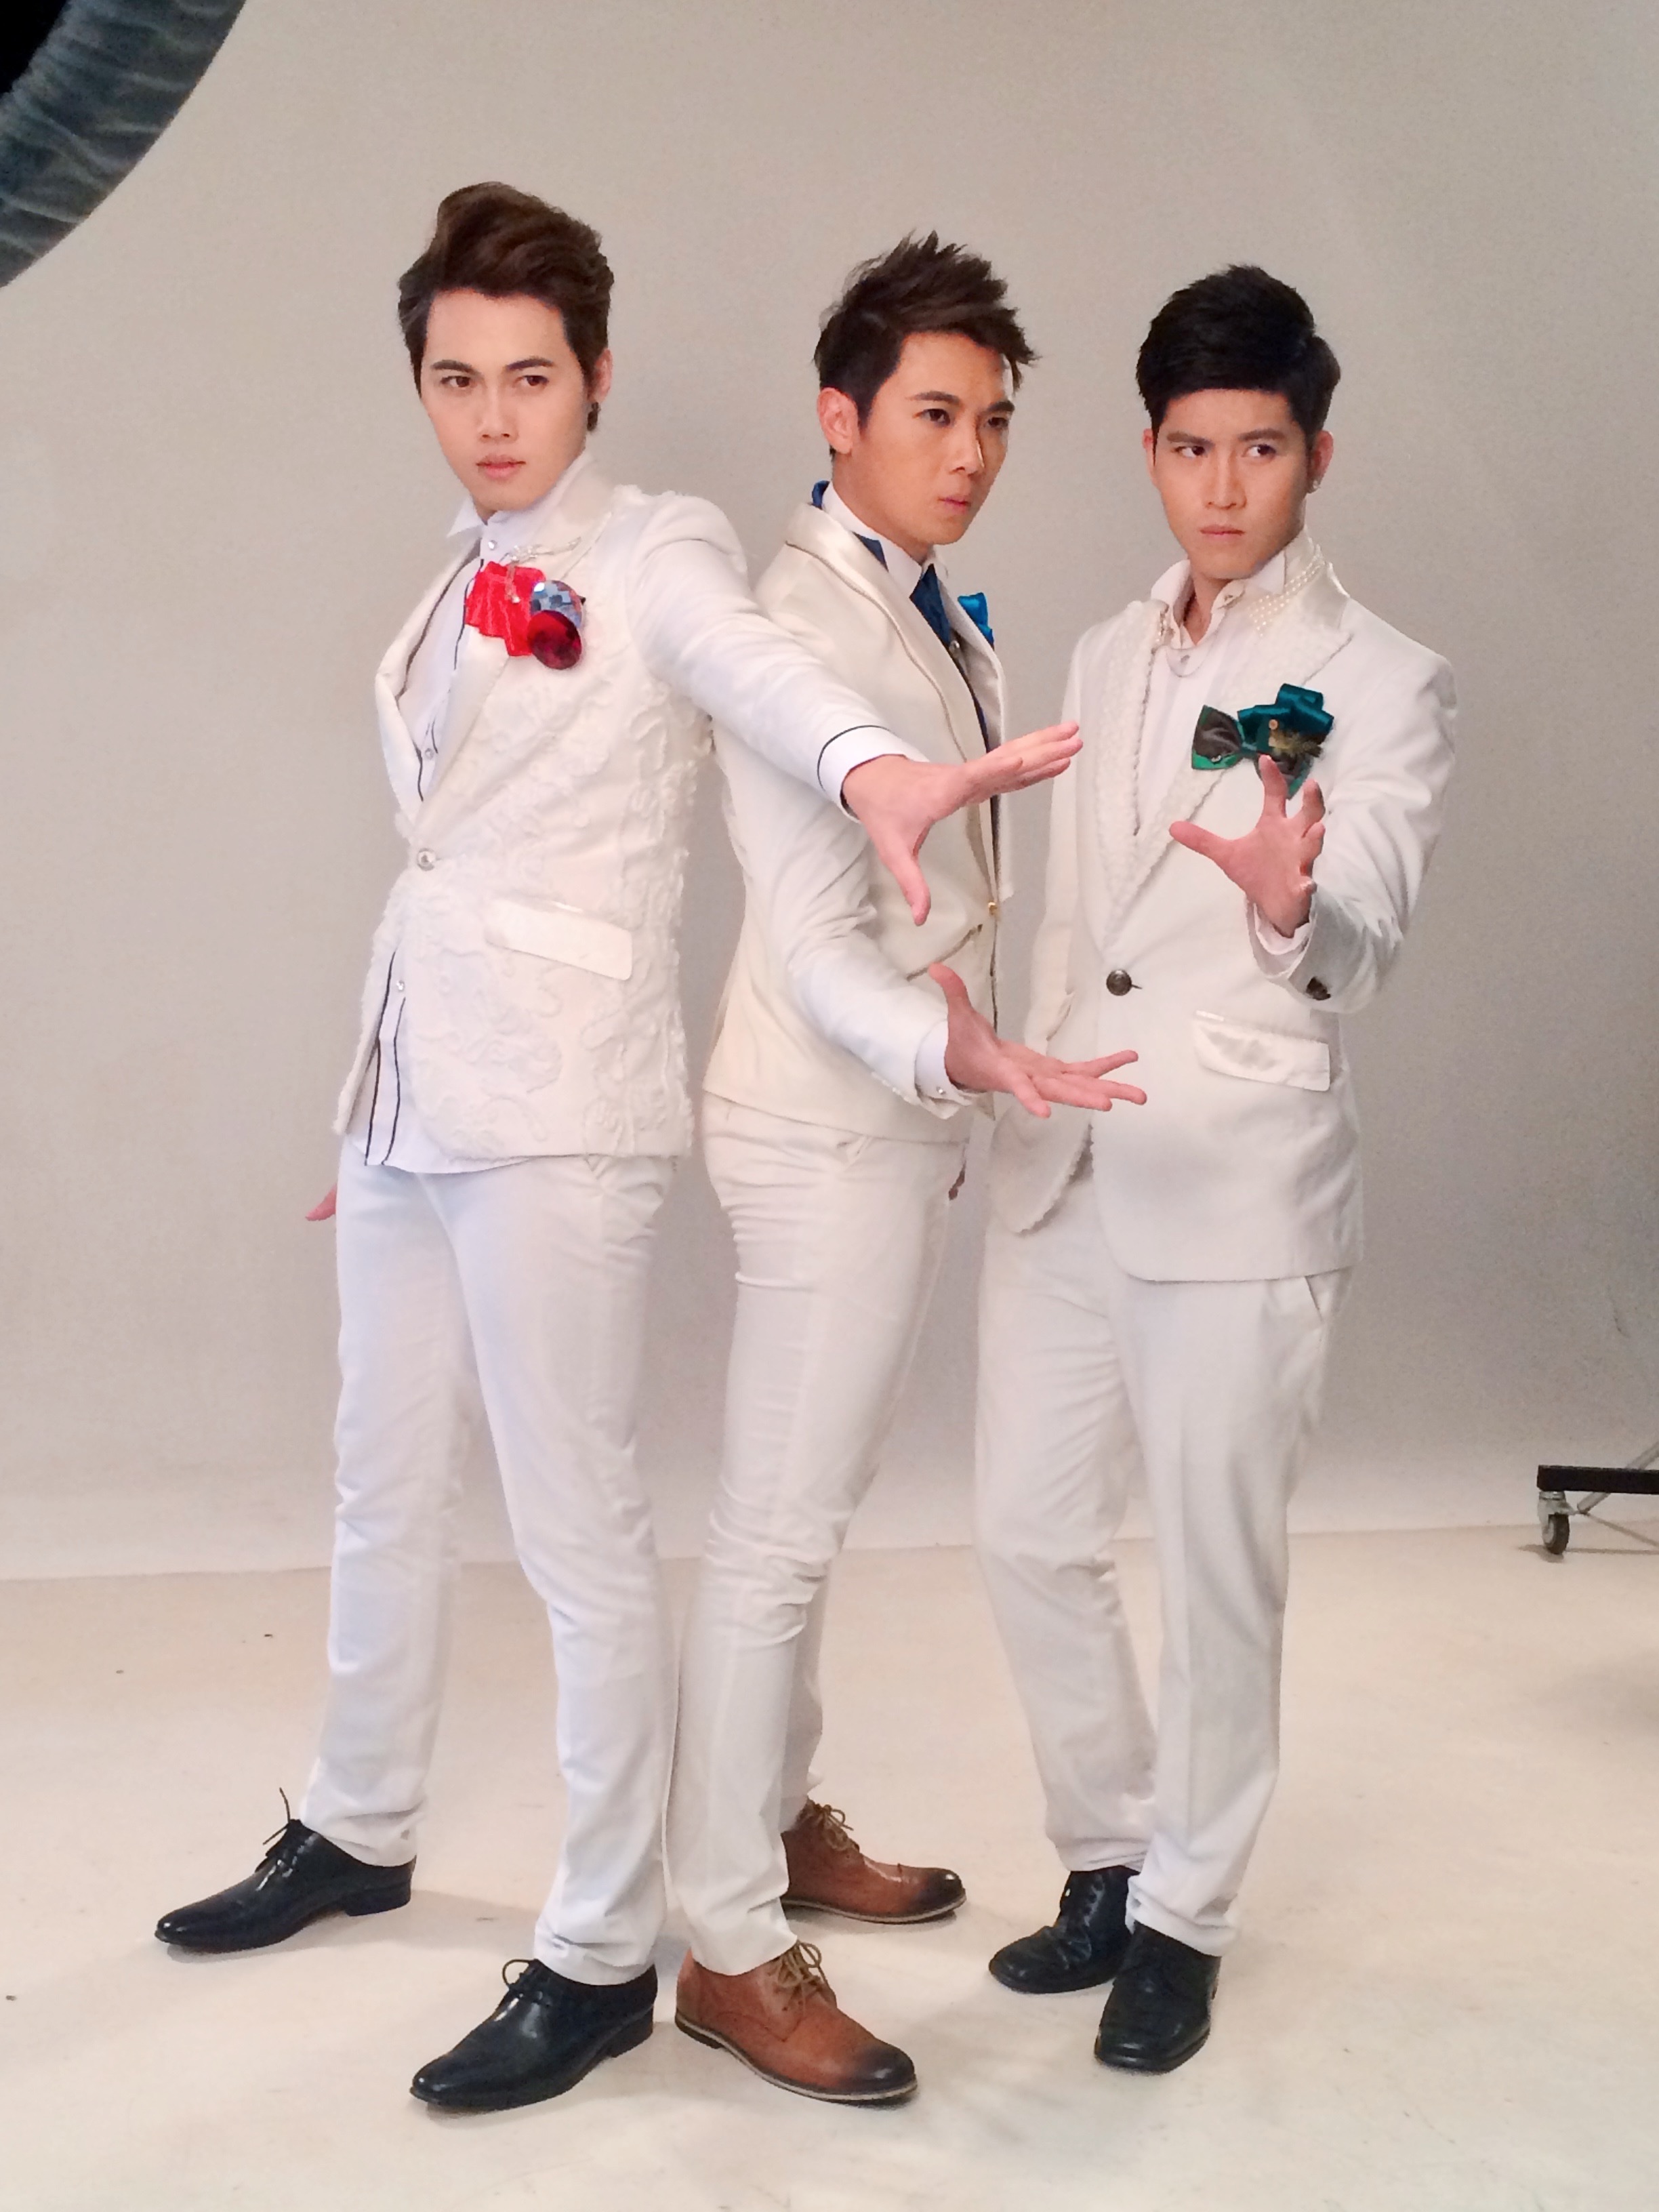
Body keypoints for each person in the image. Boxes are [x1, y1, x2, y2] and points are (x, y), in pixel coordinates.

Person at [151, 182, 1079, 2115]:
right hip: (413, 1099)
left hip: (565, 1110)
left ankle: (595, 1954)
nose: (494, 416)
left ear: (594, 380)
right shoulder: (451, 579)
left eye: (530, 378)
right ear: (422, 385)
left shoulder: (657, 550)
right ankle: (359, 1816)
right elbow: (442, 862)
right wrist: (380, 1087)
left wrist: (872, 765)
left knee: (576, 1537)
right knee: (380, 1478)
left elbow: (762, 674)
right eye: (456, 379)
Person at [666, 236, 1144, 2107]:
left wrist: (960, 1057)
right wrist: (962, 1054)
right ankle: (724, 1943)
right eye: (935, 415)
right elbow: (811, 943)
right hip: (825, 1117)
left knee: (813, 1506)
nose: (971, 453)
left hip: (890, 1118)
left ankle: (777, 1823)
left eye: (995, 421)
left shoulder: (923, 601)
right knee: (776, 1532)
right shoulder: (793, 628)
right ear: (838, 418)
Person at [975, 265, 1455, 2074]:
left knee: (1216, 1572)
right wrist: (1010, 1080)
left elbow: (1369, 925)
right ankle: (1108, 1858)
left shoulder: (1384, 677)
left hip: (1240, 1179)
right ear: (1152, 451)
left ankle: (1184, 1921)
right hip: (1069, 1150)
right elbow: (1081, 918)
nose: (1225, 486)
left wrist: (1292, 905)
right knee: (1027, 1534)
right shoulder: (1108, 652)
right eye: (1192, 449)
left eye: (1261, 448)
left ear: (1318, 452)